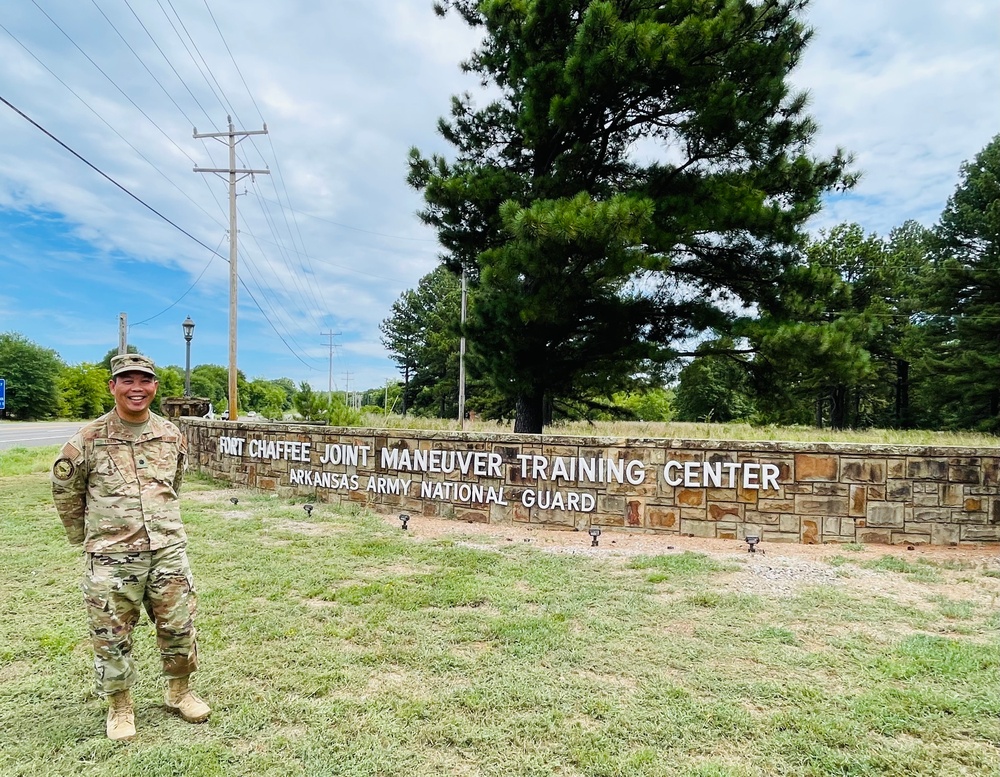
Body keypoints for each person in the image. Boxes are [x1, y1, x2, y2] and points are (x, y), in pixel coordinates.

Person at [51, 353, 210, 741]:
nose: (136, 388)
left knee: (178, 626)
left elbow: (174, 482)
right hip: (111, 555)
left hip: (167, 549)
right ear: (113, 386)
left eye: (144, 380)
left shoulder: (171, 434)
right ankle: (120, 707)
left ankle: (180, 692)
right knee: (111, 632)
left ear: (155, 386)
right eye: (127, 380)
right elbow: (65, 490)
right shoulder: (89, 438)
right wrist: (85, 538)